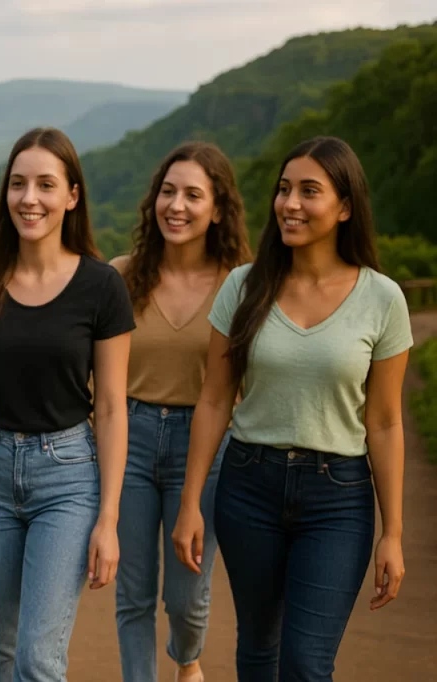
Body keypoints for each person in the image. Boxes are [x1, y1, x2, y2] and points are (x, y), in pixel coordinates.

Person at [172, 136, 412, 682]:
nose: (290, 204)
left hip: (338, 498)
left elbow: (385, 421)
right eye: (284, 190)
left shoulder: (383, 299)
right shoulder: (244, 286)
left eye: (310, 191)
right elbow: (213, 398)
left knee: (306, 663)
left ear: (345, 207)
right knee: (258, 650)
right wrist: (191, 500)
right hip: (248, 488)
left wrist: (392, 531)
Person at [0, 127, 133, 682]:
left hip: (69, 478)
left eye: (46, 185)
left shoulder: (102, 288)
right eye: (18, 184)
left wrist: (109, 519)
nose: (30, 198)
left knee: (38, 658)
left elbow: (112, 409)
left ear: (72, 196)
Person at [110, 141, 251, 682]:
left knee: (187, 598)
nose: (177, 205)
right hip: (132, 433)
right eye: (168, 191)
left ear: (218, 208)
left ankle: (187, 660)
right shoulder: (121, 276)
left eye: (194, 194)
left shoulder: (239, 283)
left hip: (208, 443)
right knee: (134, 593)